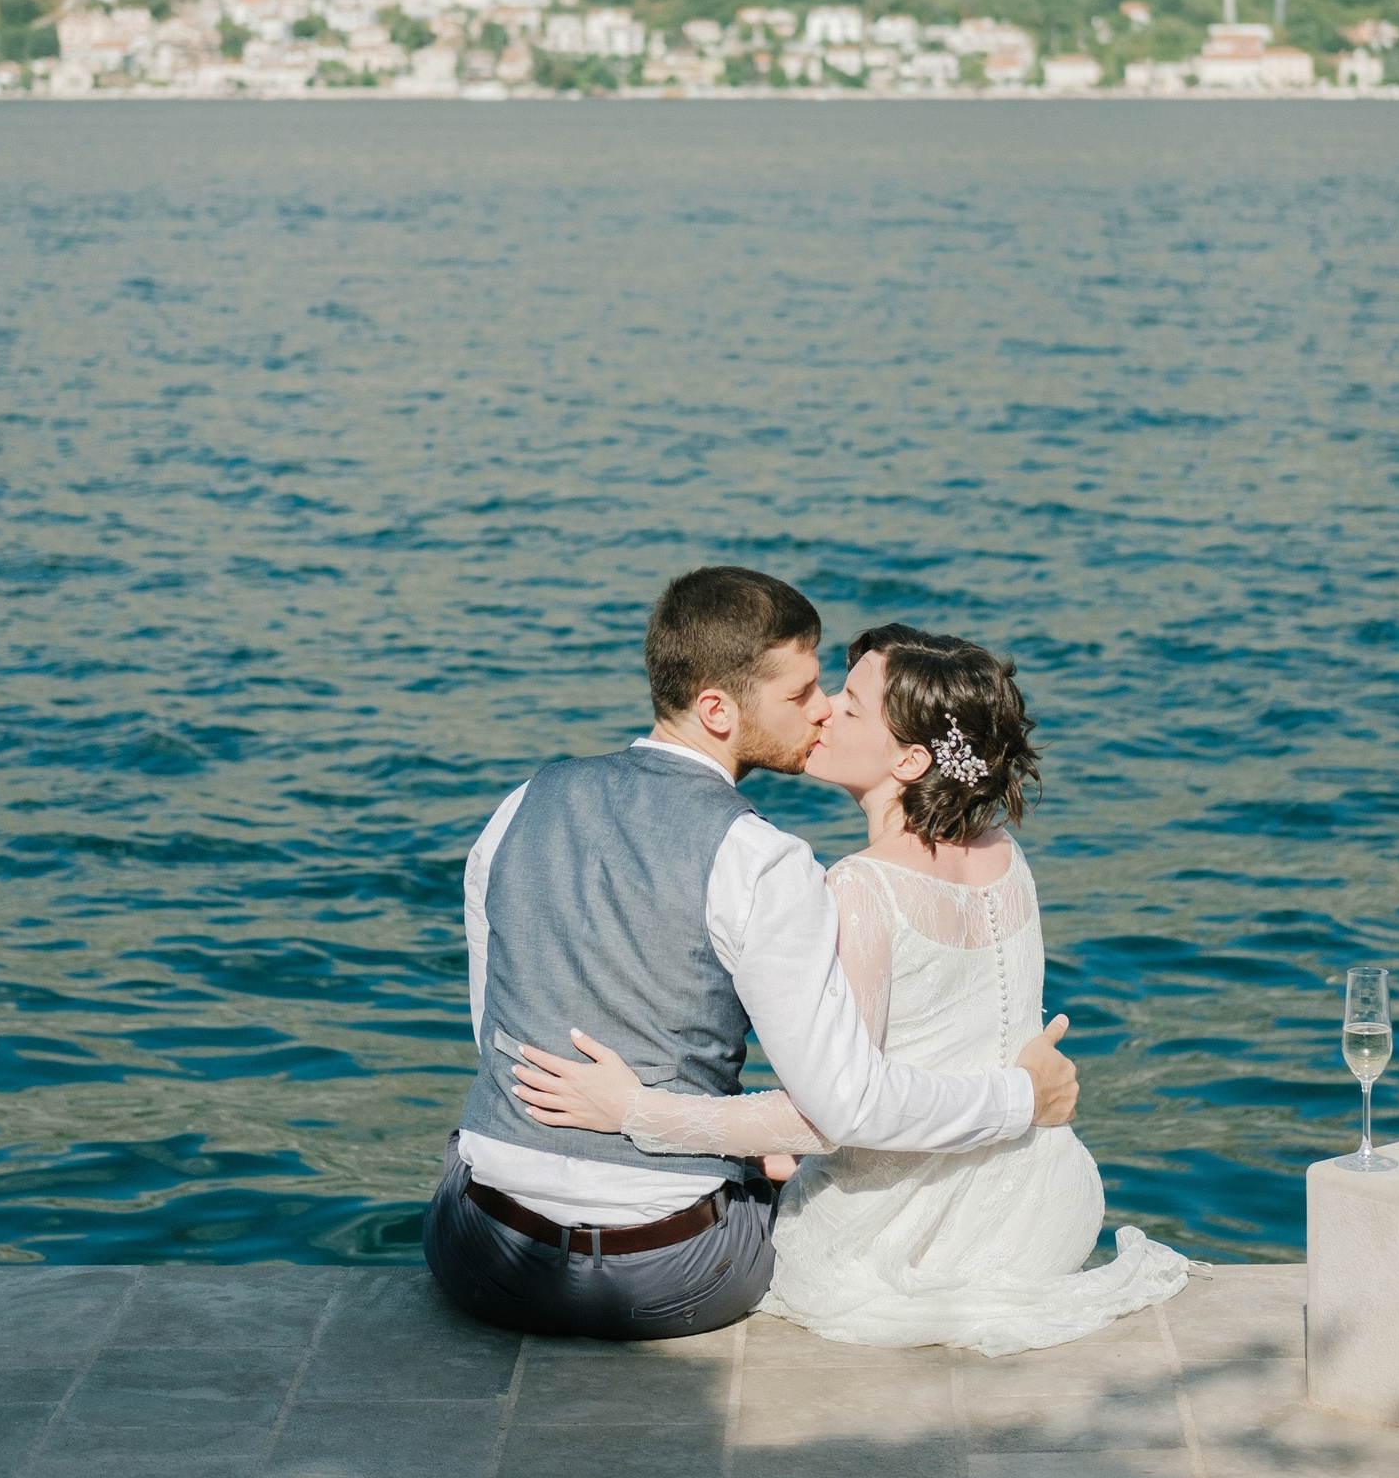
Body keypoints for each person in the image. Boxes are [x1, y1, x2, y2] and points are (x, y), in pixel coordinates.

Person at [421, 569, 1082, 1341]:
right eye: (803, 693)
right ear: (717, 710)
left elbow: (497, 1022)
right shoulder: (767, 860)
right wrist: (1021, 1098)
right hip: (671, 1275)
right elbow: (840, 1109)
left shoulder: (520, 802)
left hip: (481, 1256)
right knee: (779, 1180)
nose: (823, 707)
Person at [511, 622, 1188, 1355]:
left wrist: (634, 1111)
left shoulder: (863, 886)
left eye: (851, 705)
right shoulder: (1003, 854)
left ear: (911, 759)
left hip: (908, 1233)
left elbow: (831, 1116)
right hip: (1037, 1205)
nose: (824, 709)